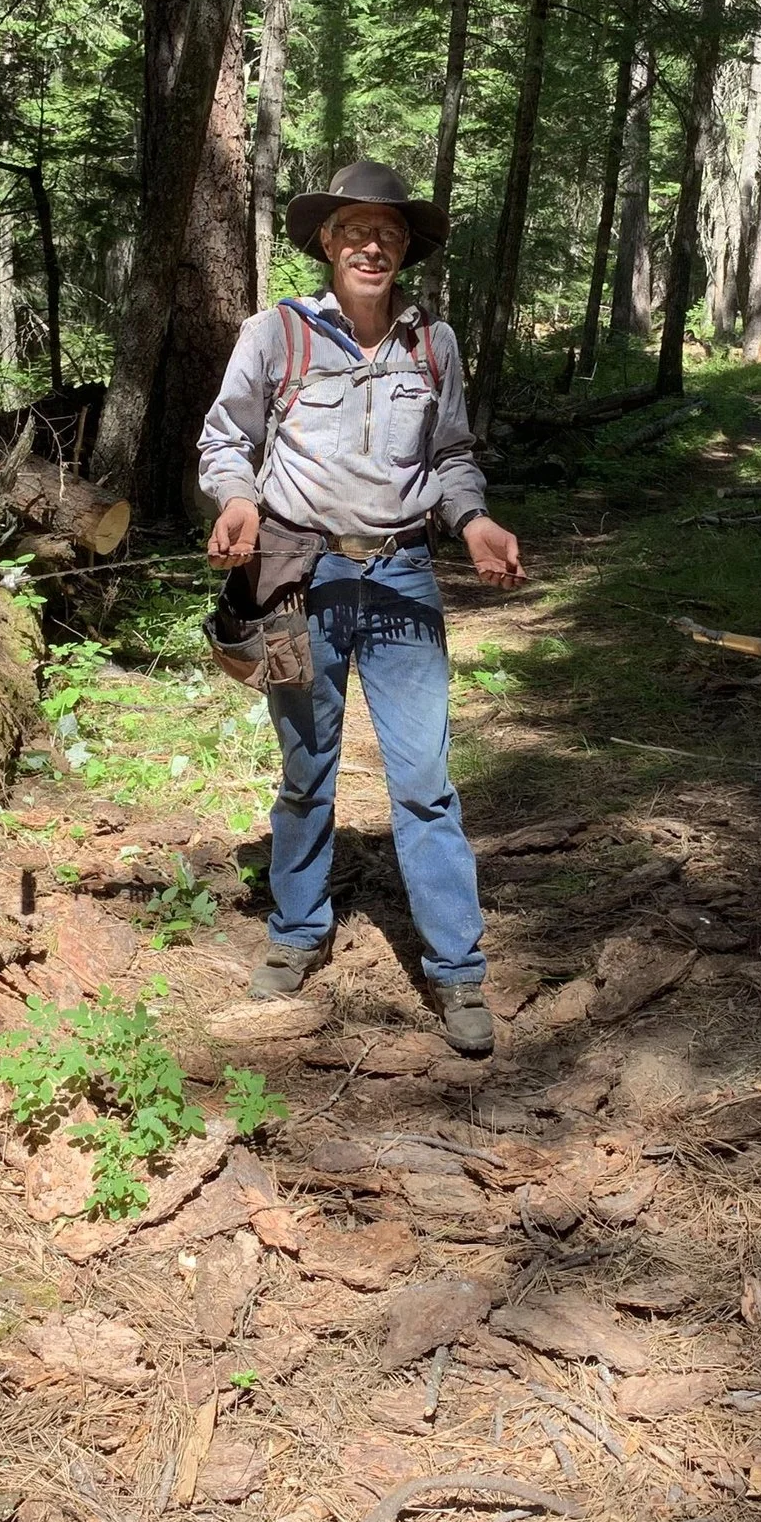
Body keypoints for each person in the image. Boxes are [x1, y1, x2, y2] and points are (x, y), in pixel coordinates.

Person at [197, 159, 525, 1054]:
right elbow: (226, 440)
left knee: (424, 780)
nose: (370, 243)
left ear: (405, 248)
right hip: (299, 577)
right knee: (308, 769)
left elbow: (451, 457)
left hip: (404, 576)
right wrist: (238, 502)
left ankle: (455, 969)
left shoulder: (435, 345)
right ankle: (298, 932)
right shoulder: (276, 334)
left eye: (387, 231)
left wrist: (476, 522)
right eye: (352, 229)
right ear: (327, 243)